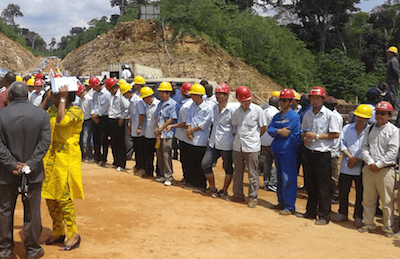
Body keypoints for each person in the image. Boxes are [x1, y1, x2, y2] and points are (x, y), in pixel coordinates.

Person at [0, 81, 51, 259]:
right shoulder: (41, 115)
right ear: (28, 96)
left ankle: (4, 250)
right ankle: (33, 250)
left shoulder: (1, 115)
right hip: (33, 173)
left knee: (5, 211)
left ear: (10, 96)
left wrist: (13, 164)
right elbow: (44, 143)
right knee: (32, 212)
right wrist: (30, 164)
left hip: (6, 174)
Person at [40, 85, 84, 251]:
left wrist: (63, 99)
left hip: (66, 159)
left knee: (64, 197)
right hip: (50, 158)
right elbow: (37, 116)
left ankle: (73, 233)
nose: (55, 99)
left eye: (57, 97)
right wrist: (46, 99)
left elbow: (62, 121)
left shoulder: (75, 111)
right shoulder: (52, 108)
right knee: (50, 196)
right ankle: (58, 230)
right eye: (56, 96)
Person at [297, 86, 340, 225]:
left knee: (323, 186)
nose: (315, 100)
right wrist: (306, 137)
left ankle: (324, 214)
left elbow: (335, 134)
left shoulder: (329, 115)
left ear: (322, 99)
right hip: (310, 152)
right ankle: (310, 212)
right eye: (313, 98)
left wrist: (317, 136)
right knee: (310, 184)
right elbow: (304, 131)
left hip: (322, 153)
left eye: (318, 98)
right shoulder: (308, 114)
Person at [359, 101, 399, 237]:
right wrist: (370, 162)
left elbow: (393, 151)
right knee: (368, 199)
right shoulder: (369, 129)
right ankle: (368, 223)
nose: (380, 116)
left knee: (387, 201)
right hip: (369, 168)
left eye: (383, 113)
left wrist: (379, 164)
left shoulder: (394, 131)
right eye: (378, 113)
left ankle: (387, 227)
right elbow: (364, 147)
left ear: (389, 115)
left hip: (385, 170)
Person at [332, 104, 372, 228]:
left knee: (360, 192)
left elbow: (368, 147)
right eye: (358, 116)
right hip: (346, 164)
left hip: (361, 165)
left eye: (363, 117)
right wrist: (350, 157)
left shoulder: (370, 130)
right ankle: (342, 212)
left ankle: (358, 216)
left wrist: (357, 159)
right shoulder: (347, 128)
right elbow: (341, 143)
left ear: (368, 119)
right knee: (344, 191)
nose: (360, 119)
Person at [231, 86, 267, 208]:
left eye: (247, 101)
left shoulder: (258, 110)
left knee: (252, 174)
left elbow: (263, 128)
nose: (246, 103)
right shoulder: (237, 112)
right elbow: (235, 128)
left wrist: (255, 138)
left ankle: (253, 197)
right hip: (238, 146)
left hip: (252, 147)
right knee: (238, 172)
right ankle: (238, 194)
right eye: (243, 101)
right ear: (239, 100)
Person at [200, 83, 238, 198]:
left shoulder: (232, 110)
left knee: (228, 168)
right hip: (213, 142)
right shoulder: (214, 107)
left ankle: (224, 190)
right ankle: (212, 188)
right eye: (216, 94)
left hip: (227, 144)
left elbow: (235, 128)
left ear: (226, 95)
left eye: (220, 94)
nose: (217, 96)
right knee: (205, 164)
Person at [268, 89, 300, 215]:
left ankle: (289, 206)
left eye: (285, 100)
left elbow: (287, 132)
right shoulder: (276, 116)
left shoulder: (294, 116)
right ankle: (281, 201)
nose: (282, 102)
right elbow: (270, 130)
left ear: (291, 101)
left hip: (288, 150)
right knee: (280, 178)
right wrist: (278, 131)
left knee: (289, 178)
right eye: (281, 100)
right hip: (278, 149)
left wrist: (277, 131)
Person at [186, 84, 213, 191]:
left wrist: (191, 130)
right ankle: (193, 182)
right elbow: (189, 118)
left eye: (192, 94)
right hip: (191, 138)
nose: (191, 96)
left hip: (201, 139)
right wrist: (189, 130)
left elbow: (204, 124)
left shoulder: (207, 108)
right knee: (191, 161)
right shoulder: (192, 106)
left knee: (199, 163)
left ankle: (201, 184)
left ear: (198, 95)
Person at [165, 82, 193, 186]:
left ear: (182, 92)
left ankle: (188, 179)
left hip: (184, 135)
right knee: (186, 158)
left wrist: (173, 126)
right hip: (186, 135)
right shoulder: (189, 104)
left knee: (186, 159)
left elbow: (185, 123)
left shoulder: (185, 106)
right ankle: (187, 178)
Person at [154, 82, 178, 186]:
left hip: (167, 133)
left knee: (166, 154)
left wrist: (161, 128)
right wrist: (156, 129)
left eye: (162, 92)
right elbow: (157, 117)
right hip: (159, 133)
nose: (160, 94)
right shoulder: (160, 103)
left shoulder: (173, 104)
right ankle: (163, 175)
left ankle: (169, 176)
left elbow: (171, 119)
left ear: (168, 93)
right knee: (159, 154)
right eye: (160, 92)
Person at [120, 81, 146, 175]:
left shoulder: (137, 100)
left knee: (140, 150)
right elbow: (131, 114)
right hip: (134, 128)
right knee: (136, 149)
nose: (123, 96)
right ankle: (138, 166)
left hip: (139, 130)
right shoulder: (131, 101)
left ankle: (141, 167)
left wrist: (139, 127)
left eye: (124, 94)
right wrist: (130, 125)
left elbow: (142, 114)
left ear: (128, 92)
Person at [323, 96, 343, 203]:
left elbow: (335, 134)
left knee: (333, 174)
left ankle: (336, 194)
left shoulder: (336, 117)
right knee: (327, 173)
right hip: (327, 148)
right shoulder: (328, 114)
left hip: (333, 148)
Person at [106, 78, 127, 172]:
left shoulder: (121, 96)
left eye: (110, 89)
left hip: (118, 121)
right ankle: (116, 161)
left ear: (114, 87)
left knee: (120, 143)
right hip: (111, 120)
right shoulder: (112, 96)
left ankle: (121, 163)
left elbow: (127, 108)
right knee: (113, 142)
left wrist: (121, 118)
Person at [90, 76, 111, 167]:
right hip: (95, 116)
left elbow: (105, 106)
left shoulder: (107, 94)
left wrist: (97, 115)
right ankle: (97, 155)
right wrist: (93, 114)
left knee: (104, 138)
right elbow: (93, 104)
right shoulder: (95, 94)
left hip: (104, 117)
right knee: (96, 137)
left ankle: (104, 158)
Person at [261, 96, 279, 192]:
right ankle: (272, 182)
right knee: (277, 162)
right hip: (272, 140)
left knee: (267, 161)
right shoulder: (276, 113)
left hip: (263, 140)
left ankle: (266, 181)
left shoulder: (263, 111)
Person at [141, 87, 161, 178]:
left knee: (158, 154)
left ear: (149, 96)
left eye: (144, 98)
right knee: (148, 154)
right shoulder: (146, 106)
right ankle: (149, 171)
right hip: (148, 134)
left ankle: (159, 172)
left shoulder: (158, 105)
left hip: (156, 135)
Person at [77, 84, 93, 163]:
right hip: (82, 120)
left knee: (86, 139)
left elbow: (91, 110)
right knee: (80, 139)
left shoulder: (89, 99)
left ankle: (89, 156)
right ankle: (83, 155)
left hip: (88, 120)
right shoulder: (81, 100)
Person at [386, 46, 400, 111]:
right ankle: (393, 107)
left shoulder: (393, 61)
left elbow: (396, 70)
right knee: (391, 94)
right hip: (391, 80)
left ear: (392, 53)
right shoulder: (391, 60)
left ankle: (396, 108)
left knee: (394, 94)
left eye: (388, 52)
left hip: (393, 81)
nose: (387, 54)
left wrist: (398, 77)